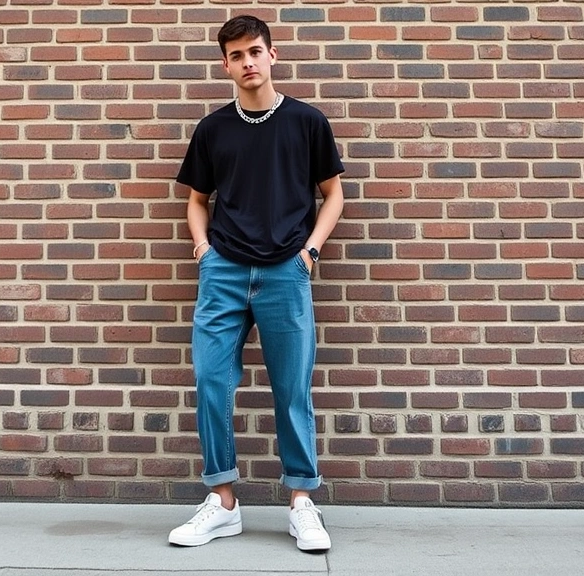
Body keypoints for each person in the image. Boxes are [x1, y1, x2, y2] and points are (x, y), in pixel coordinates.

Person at [168, 15, 345, 552]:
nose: (247, 62)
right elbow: (196, 200)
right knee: (211, 382)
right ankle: (222, 502)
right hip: (223, 273)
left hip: (285, 272)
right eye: (236, 55)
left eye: (255, 52)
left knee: (293, 390)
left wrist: (309, 252)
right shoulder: (213, 129)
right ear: (225, 64)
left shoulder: (306, 122)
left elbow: (333, 194)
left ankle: (301, 503)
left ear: (273, 55)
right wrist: (203, 250)